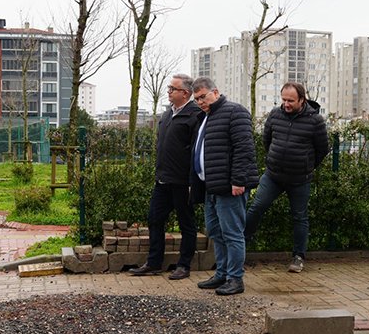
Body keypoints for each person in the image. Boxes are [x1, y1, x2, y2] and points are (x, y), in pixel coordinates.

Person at [244, 82, 329, 273]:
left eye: (290, 100)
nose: (286, 104)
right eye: (283, 99)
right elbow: (267, 139)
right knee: (256, 207)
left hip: (300, 179)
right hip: (273, 176)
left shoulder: (315, 121)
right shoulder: (275, 114)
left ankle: (298, 257)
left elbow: (322, 149)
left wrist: (306, 165)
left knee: (299, 217)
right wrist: (274, 159)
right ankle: (240, 247)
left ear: (302, 100)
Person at [189, 77, 259, 296]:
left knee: (232, 233)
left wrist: (239, 181)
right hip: (210, 186)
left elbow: (244, 149)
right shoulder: (206, 117)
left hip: (230, 187)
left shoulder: (234, 112)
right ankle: (221, 274)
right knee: (216, 233)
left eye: (203, 96)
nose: (200, 102)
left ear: (215, 92)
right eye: (197, 99)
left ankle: (235, 279)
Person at [129, 74, 202, 280]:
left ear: (185, 93)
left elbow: (197, 150)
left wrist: (192, 181)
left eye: (172, 89)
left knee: (186, 223)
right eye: (169, 88)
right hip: (162, 180)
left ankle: (184, 265)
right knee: (154, 219)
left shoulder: (195, 115)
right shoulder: (167, 113)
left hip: (182, 182)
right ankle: (153, 263)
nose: (168, 91)